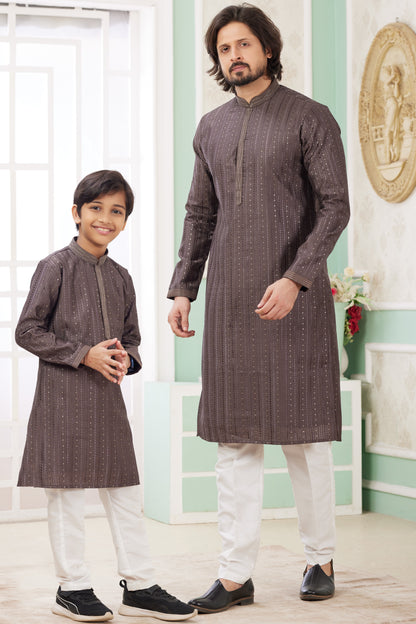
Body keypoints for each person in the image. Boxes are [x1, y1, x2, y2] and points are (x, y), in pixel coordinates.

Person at [167, 3, 350, 613]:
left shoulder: (310, 117)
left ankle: (320, 558)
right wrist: (184, 288)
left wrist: (296, 279)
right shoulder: (210, 128)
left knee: (306, 439)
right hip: (231, 304)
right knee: (234, 442)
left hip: (295, 302)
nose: (234, 56)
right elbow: (200, 214)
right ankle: (234, 575)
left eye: (244, 44)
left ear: (268, 49)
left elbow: (335, 207)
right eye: (224, 49)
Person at [16, 170, 196, 622]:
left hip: (107, 401)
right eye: (96, 208)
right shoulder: (55, 267)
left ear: (125, 220)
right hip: (61, 399)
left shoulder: (121, 277)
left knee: (125, 495)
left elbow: (132, 338)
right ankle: (72, 587)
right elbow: (27, 330)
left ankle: (140, 586)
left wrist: (125, 360)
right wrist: (85, 354)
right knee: (67, 497)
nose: (106, 218)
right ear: (76, 213)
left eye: (117, 211)